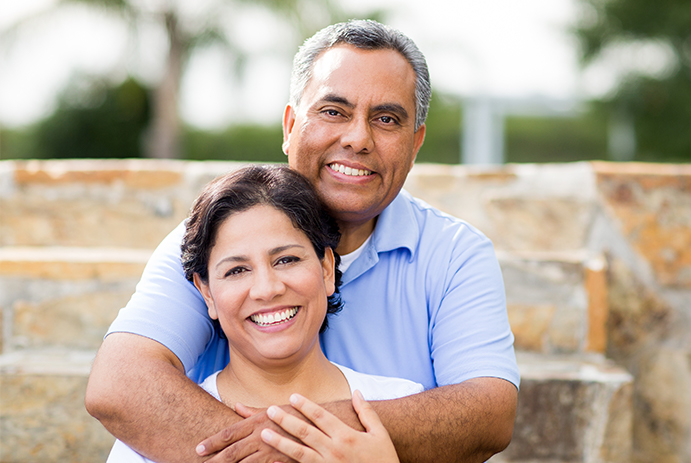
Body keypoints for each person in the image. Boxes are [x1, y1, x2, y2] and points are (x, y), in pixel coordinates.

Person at [86, 19, 520, 463]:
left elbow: (487, 412)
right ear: (290, 125)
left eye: (386, 119)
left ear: (415, 144)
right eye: (333, 111)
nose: (357, 139)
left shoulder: (454, 254)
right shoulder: (214, 237)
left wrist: (305, 438)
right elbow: (121, 383)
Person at [106, 165, 423, 462]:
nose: (266, 289)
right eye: (236, 270)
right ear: (206, 293)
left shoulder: (400, 400)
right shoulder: (151, 435)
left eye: (286, 260)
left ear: (327, 268)